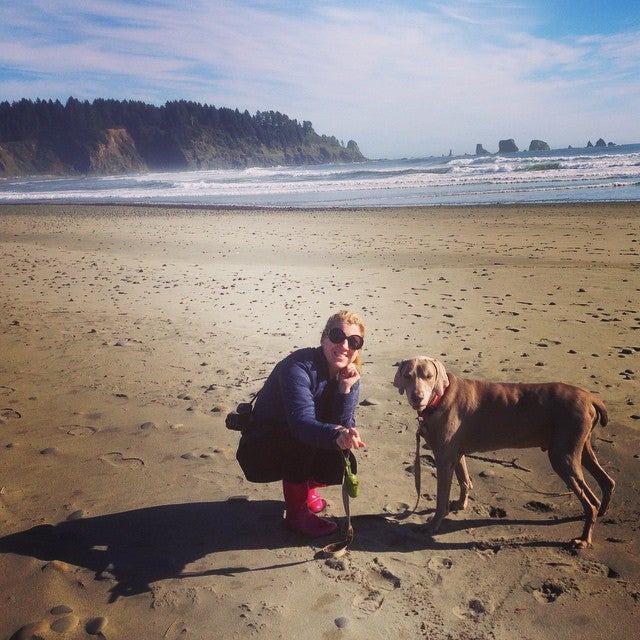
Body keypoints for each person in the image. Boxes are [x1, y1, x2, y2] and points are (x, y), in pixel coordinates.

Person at [236, 310, 366, 537]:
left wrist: (345, 391)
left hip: (300, 438)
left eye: (354, 341)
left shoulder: (349, 375)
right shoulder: (299, 366)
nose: (345, 346)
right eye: (337, 336)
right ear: (323, 338)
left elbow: (342, 424)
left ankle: (305, 491)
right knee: (304, 440)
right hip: (261, 449)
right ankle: (296, 514)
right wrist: (336, 433)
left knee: (342, 457)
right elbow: (301, 424)